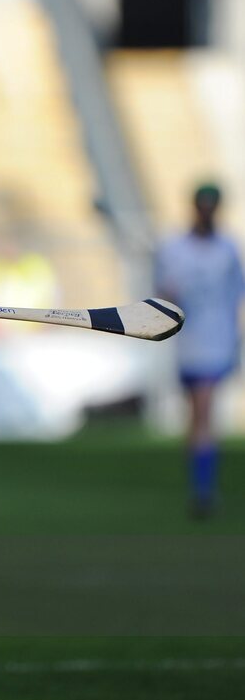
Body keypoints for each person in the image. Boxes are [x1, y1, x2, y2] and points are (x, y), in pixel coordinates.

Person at [155, 183, 244, 517]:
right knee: (195, 416)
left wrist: (236, 340)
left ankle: (203, 492)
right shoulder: (173, 248)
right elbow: (162, 296)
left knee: (204, 411)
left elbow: (236, 296)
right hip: (187, 342)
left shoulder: (228, 249)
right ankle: (199, 484)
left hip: (216, 341)